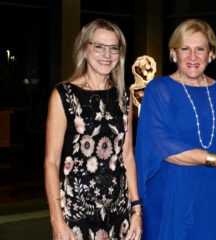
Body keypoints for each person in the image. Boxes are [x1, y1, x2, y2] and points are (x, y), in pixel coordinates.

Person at [135, 19, 216, 240]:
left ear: (211, 53)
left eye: (200, 49)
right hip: (173, 199)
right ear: (174, 53)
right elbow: (161, 144)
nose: (192, 57)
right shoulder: (158, 89)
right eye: (185, 49)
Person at [44, 19, 142, 240]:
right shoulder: (63, 96)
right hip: (76, 213)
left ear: (120, 53)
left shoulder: (123, 97)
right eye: (99, 46)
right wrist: (55, 218)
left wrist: (136, 210)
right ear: (85, 49)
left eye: (113, 48)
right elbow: (51, 161)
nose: (106, 55)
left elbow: (127, 157)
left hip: (119, 212)